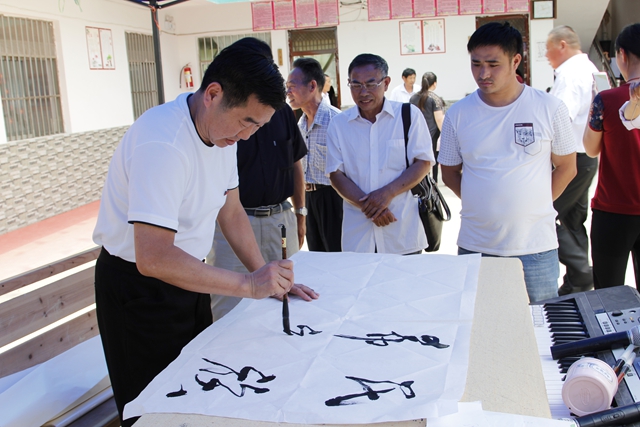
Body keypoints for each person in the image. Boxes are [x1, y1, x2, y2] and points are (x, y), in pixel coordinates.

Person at [92, 38, 316, 427]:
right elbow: (154, 257)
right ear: (213, 93)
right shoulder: (163, 141)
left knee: (193, 396)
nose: (247, 136)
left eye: (258, 127)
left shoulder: (220, 132)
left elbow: (230, 210)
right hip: (138, 291)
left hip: (188, 277)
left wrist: (269, 276)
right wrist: (248, 284)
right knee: (153, 408)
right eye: (247, 122)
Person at [439, 22, 577, 303]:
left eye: (493, 64)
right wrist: (483, 202)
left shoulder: (548, 108)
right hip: (477, 246)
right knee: (480, 326)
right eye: (476, 64)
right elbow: (450, 172)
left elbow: (567, 167)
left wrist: (533, 204)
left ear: (516, 60)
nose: (483, 73)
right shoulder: (459, 114)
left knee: (538, 327)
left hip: (535, 247)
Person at [206, 104, 313, 321]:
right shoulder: (225, 113)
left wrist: (300, 214)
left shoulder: (283, 112)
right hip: (231, 224)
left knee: (287, 299)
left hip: (280, 220)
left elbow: (295, 163)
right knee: (229, 309)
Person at [326, 54, 434, 254]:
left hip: (401, 231)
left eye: (370, 83)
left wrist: (387, 194)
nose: (363, 92)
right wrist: (372, 208)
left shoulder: (408, 116)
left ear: (386, 83)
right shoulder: (339, 125)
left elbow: (424, 162)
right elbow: (335, 174)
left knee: (404, 285)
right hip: (358, 236)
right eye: (356, 85)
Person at [584, 23, 640, 289]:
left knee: (608, 296)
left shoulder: (606, 99)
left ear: (622, 56)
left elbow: (591, 149)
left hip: (613, 210)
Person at [545, 25, 599, 296]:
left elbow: (559, 120)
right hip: (586, 157)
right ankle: (578, 281)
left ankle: (581, 273)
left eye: (548, 48)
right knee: (572, 219)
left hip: (569, 160)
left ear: (562, 45)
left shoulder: (569, 74)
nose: (546, 54)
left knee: (545, 213)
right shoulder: (590, 69)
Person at [287, 57, 343, 252]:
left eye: (292, 86)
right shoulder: (299, 125)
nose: (288, 93)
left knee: (337, 258)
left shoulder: (337, 121)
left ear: (312, 86)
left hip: (334, 200)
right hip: (308, 201)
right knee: (316, 258)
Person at [410, 72, 444, 182]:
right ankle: (433, 182)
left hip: (416, 134)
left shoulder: (413, 97)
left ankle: (420, 181)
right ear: (434, 83)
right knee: (432, 159)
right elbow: (439, 119)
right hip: (432, 135)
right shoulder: (435, 98)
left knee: (418, 160)